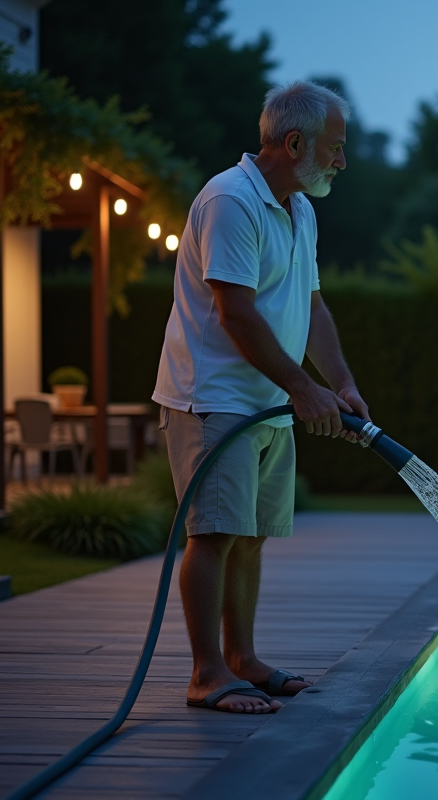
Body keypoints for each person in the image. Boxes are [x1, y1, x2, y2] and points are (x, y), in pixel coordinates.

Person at [153, 81, 368, 714]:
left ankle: (242, 659)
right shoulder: (230, 201)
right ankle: (206, 673)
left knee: (249, 537)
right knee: (215, 533)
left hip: (266, 399)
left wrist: (341, 384)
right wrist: (302, 388)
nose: (342, 161)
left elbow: (311, 306)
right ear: (295, 142)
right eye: (334, 147)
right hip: (214, 396)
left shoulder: (300, 208)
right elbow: (235, 314)